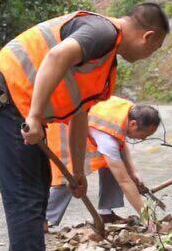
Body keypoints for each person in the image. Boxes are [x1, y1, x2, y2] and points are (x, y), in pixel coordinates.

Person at [0, 3, 169, 251]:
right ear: (149, 37)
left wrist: (77, 174)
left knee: (36, 195)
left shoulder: (105, 66)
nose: (150, 54)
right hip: (5, 97)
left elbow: (79, 116)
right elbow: (55, 56)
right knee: (24, 196)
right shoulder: (103, 31)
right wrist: (35, 117)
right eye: (155, 48)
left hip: (16, 102)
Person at [45, 97, 160, 228]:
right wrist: (148, 219)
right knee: (68, 176)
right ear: (133, 124)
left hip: (87, 125)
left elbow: (120, 142)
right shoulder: (107, 138)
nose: (144, 138)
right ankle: (44, 219)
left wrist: (133, 172)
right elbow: (124, 182)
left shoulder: (128, 111)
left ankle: (105, 213)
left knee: (116, 164)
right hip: (64, 131)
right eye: (145, 134)